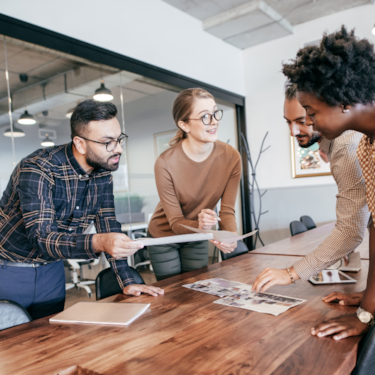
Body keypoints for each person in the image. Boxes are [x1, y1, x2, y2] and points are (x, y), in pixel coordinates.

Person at [0, 99, 163, 320]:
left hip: (52, 271)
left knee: (48, 341)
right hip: (9, 270)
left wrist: (128, 281)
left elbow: (108, 226)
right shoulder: (38, 168)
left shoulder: (103, 173)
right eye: (108, 142)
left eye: (119, 139)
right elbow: (42, 238)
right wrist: (99, 242)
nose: (119, 149)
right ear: (80, 143)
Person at [282, 25, 375, 340]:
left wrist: (366, 315)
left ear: (344, 101)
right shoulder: (366, 146)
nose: (308, 123)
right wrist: (369, 303)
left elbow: (355, 229)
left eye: (310, 112)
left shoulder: (355, 145)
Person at [251, 81, 369, 294]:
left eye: (302, 120)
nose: (293, 131)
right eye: (288, 122)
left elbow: (351, 231)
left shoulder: (345, 145)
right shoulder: (342, 142)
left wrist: (290, 273)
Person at [147, 88, 241, 280]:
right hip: (164, 236)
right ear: (184, 125)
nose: (214, 121)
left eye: (215, 113)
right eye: (205, 117)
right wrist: (202, 226)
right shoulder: (165, 163)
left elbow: (227, 211)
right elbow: (175, 222)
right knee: (172, 294)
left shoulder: (231, 157)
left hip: (199, 233)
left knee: (197, 290)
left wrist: (230, 236)